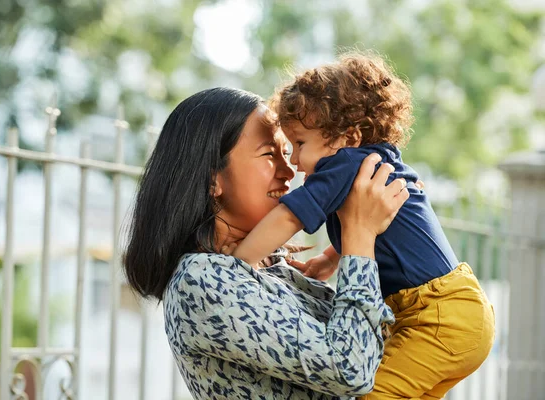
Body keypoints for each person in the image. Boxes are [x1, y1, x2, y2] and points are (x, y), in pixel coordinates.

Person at [231, 51, 496, 399]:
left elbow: (289, 216)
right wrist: (332, 257)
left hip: (439, 317)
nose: (294, 161)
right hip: (454, 311)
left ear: (349, 137)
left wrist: (237, 261)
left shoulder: (342, 164)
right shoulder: (372, 161)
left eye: (299, 144)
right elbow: (384, 230)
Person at [123, 87, 411, 399]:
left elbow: (371, 341)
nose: (290, 171)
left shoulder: (273, 268)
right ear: (212, 180)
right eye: (268, 154)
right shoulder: (202, 280)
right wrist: (359, 234)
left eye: (287, 152)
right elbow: (351, 368)